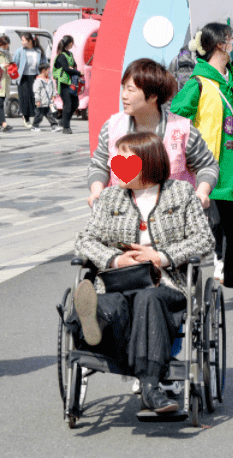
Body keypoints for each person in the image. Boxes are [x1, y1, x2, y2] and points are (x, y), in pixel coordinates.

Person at [71, 131, 215, 414]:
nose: (116, 164)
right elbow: (84, 240)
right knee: (110, 304)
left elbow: (204, 240)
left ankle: (110, 351)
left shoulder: (181, 193)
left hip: (164, 284)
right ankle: (94, 326)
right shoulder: (111, 197)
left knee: (147, 300)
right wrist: (114, 260)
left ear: (147, 162)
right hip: (118, 281)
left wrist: (161, 257)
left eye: (125, 159)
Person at [171, 22, 233, 307]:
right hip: (201, 170)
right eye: (230, 39)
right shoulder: (197, 84)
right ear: (220, 45)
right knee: (196, 230)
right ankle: (182, 288)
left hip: (232, 170)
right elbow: (176, 119)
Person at [87, 58, 219, 210]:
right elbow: (99, 165)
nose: (124, 95)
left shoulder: (182, 130)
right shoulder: (112, 127)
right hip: (124, 217)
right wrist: (97, 192)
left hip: (173, 217)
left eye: (131, 90)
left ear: (153, 96)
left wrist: (202, 192)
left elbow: (207, 166)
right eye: (123, 88)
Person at [12, 32, 45, 129]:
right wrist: (14, 74)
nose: (22, 42)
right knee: (25, 98)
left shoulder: (38, 51)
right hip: (23, 78)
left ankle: (35, 119)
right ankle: (26, 119)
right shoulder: (20, 51)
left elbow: (44, 64)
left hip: (35, 77)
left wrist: (45, 76)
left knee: (35, 98)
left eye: (23, 40)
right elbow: (14, 63)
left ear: (30, 41)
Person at [52, 35, 83, 134]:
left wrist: (72, 68)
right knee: (68, 104)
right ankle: (66, 127)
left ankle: (63, 121)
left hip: (72, 83)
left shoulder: (70, 54)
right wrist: (77, 72)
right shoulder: (61, 56)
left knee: (75, 104)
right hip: (63, 83)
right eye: (72, 43)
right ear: (70, 44)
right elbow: (66, 69)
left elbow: (74, 66)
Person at [0, 35, 13, 132]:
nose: (6, 48)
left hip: (5, 82)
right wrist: (2, 65)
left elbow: (11, 64)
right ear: (1, 44)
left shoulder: (7, 53)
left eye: (7, 46)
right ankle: (4, 124)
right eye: (5, 46)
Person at [31, 62, 58, 131]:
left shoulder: (49, 81)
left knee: (50, 114)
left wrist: (54, 95)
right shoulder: (38, 81)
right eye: (48, 70)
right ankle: (34, 126)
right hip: (41, 102)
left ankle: (54, 126)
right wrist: (38, 100)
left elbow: (53, 88)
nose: (49, 72)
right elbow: (36, 91)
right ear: (43, 71)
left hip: (48, 102)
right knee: (39, 115)